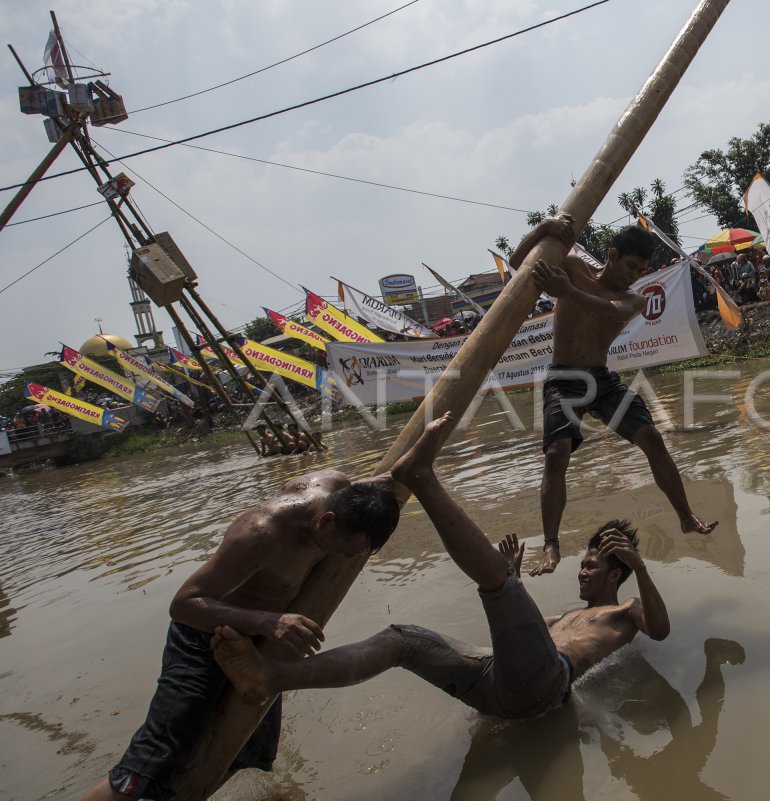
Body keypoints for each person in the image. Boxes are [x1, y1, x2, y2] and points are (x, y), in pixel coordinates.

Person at [211, 413, 670, 722]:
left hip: (547, 689)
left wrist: (640, 568)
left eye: (593, 567)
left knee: (499, 583)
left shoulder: (625, 610)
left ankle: (422, 477)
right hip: (498, 687)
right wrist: (512, 590)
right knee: (401, 640)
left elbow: (660, 630)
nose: (583, 572)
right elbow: (514, 644)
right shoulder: (563, 617)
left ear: (616, 575)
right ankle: (272, 678)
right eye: (584, 564)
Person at [80, 467, 404, 800]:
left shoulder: (337, 488)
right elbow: (184, 604)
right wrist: (269, 622)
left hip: (254, 642)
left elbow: (382, 481)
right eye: (343, 550)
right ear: (326, 522)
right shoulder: (259, 534)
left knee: (251, 746)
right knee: (157, 756)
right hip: (202, 637)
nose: (341, 558)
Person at [506, 218, 716, 576]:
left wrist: (566, 291)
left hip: (601, 380)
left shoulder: (631, 298)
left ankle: (684, 515)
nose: (635, 275)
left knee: (651, 437)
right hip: (564, 378)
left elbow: (612, 311)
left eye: (643, 270)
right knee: (556, 455)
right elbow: (518, 263)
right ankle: (551, 544)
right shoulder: (571, 266)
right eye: (632, 266)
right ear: (613, 255)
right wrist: (544, 228)